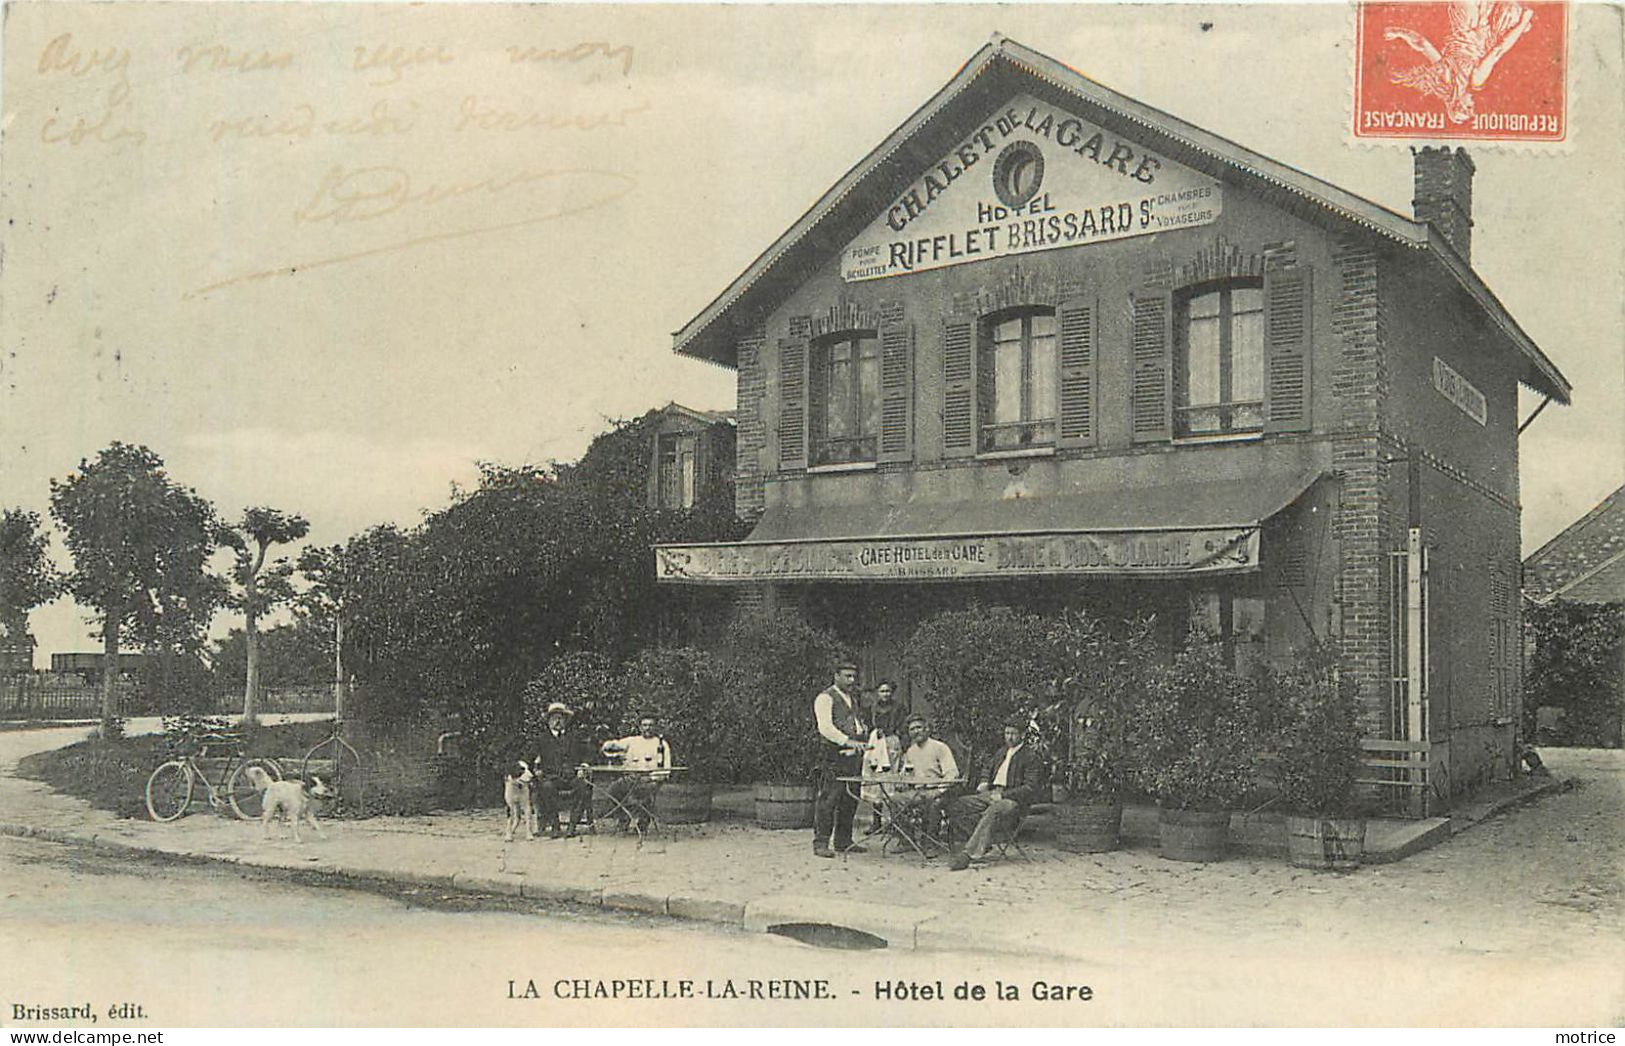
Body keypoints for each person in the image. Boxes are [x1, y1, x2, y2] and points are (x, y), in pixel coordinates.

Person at [947, 718, 1047, 869]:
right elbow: (988, 768)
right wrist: (984, 781)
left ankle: (968, 854)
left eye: (1013, 733)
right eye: (1007, 733)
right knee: (956, 805)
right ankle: (983, 843)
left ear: (1022, 735)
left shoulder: (1030, 756)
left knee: (994, 810)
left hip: (1014, 801)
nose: (1009, 737)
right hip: (993, 794)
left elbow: (1030, 787)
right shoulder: (1001, 752)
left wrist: (1004, 796)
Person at [811, 659, 870, 859]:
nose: (852, 680)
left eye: (854, 676)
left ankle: (843, 841)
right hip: (833, 755)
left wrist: (862, 732)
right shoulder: (825, 698)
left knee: (850, 799)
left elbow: (853, 721)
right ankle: (820, 843)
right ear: (836, 676)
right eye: (847, 676)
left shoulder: (852, 698)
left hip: (853, 756)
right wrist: (847, 741)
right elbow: (825, 728)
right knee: (829, 798)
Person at [891, 713, 959, 844]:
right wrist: (903, 781)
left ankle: (930, 842)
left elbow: (952, 774)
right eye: (912, 729)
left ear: (926, 729)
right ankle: (906, 840)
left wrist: (939, 791)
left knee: (934, 803)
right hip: (919, 791)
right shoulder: (910, 751)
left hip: (940, 792)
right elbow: (906, 775)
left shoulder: (940, 747)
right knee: (894, 799)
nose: (916, 732)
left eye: (919, 727)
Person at [600, 715, 673, 832]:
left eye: (650, 725)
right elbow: (612, 745)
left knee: (645, 794)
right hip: (631, 778)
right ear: (640, 727)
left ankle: (643, 821)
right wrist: (609, 745)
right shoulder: (633, 741)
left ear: (655, 727)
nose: (647, 728)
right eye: (644, 725)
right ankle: (624, 818)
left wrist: (654, 778)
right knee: (613, 790)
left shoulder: (662, 744)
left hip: (650, 780)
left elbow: (667, 768)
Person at [532, 701, 591, 838]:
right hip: (552, 777)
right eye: (554, 718)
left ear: (565, 720)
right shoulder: (541, 739)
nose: (557, 721)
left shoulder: (574, 737)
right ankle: (555, 825)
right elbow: (530, 756)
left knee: (583, 786)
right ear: (548, 721)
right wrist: (534, 769)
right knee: (546, 787)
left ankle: (572, 826)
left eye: (560, 718)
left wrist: (584, 766)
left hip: (572, 776)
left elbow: (588, 754)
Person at [862, 681, 905, 836]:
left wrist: (894, 735)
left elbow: (902, 726)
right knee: (876, 781)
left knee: (891, 781)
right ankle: (876, 822)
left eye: (888, 691)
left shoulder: (899, 708)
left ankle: (894, 822)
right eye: (882, 691)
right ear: (877, 693)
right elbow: (867, 726)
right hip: (876, 743)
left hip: (892, 743)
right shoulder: (871, 709)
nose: (885, 694)